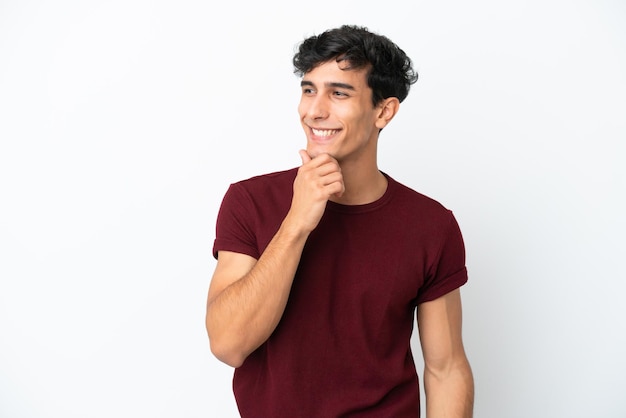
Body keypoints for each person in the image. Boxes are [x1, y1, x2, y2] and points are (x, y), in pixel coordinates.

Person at [206, 24, 474, 417]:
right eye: (309, 89)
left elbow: (446, 368)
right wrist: (297, 221)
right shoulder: (250, 201)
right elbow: (229, 344)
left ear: (384, 111)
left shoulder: (431, 225)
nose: (314, 110)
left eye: (339, 93)